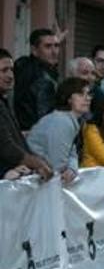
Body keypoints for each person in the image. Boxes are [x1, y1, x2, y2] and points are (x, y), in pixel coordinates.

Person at [26, 77, 92, 185]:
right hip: (35, 181)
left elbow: (72, 152)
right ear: (68, 98)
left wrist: (72, 169)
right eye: (81, 94)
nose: (87, 98)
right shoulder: (61, 121)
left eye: (88, 94)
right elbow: (58, 166)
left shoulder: (69, 119)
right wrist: (70, 169)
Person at [0, 48, 53, 180]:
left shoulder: (5, 100)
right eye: (4, 70)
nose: (10, 75)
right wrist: (36, 163)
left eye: (11, 70)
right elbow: (5, 145)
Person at [14, 28, 60, 131]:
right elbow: (45, 118)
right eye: (48, 46)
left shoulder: (26, 66)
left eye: (56, 46)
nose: (54, 52)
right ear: (34, 50)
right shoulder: (41, 78)